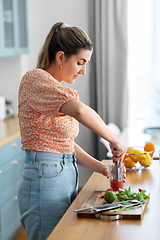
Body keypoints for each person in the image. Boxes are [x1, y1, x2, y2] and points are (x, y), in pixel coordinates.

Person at [18, 22, 126, 240]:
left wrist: (101, 167)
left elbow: (63, 145)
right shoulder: (35, 80)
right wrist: (114, 140)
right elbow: (80, 110)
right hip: (44, 180)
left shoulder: (55, 90)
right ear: (60, 57)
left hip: (60, 177)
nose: (83, 71)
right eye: (80, 62)